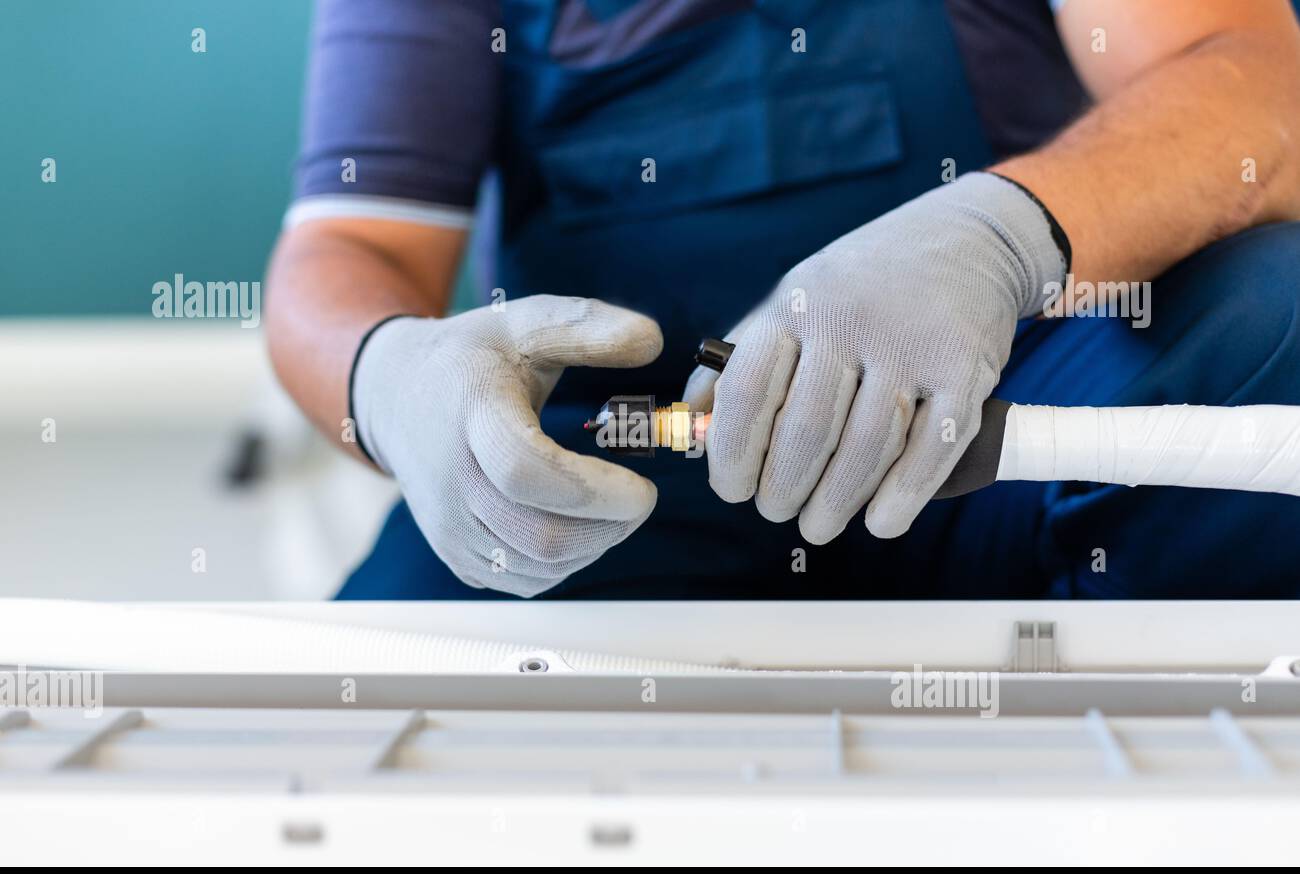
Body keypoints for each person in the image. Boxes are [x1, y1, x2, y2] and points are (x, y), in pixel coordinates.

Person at [265, 0, 1300, 600]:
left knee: (1274, 312)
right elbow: (350, 244)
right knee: (416, 647)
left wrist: (997, 233)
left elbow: (1259, 84)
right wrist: (390, 378)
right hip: (620, 501)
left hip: (1000, 446)